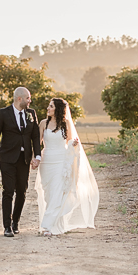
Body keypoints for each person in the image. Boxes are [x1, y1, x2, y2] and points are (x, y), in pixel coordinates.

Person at [34, 98, 100, 236]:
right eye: (48, 106)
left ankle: (47, 226)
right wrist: (34, 158)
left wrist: (74, 144)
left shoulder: (66, 124)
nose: (48, 108)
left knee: (58, 192)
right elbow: (37, 144)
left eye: (51, 106)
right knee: (49, 194)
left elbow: (70, 142)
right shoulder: (43, 123)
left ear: (57, 109)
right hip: (46, 162)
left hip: (61, 161)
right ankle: (55, 223)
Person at [0, 87, 42, 237]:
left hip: (24, 160)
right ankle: (7, 226)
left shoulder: (31, 114)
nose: (30, 101)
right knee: (8, 191)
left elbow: (35, 136)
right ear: (20, 99)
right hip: (8, 159)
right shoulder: (3, 114)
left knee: (22, 193)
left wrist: (37, 156)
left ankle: (16, 222)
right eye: (28, 98)